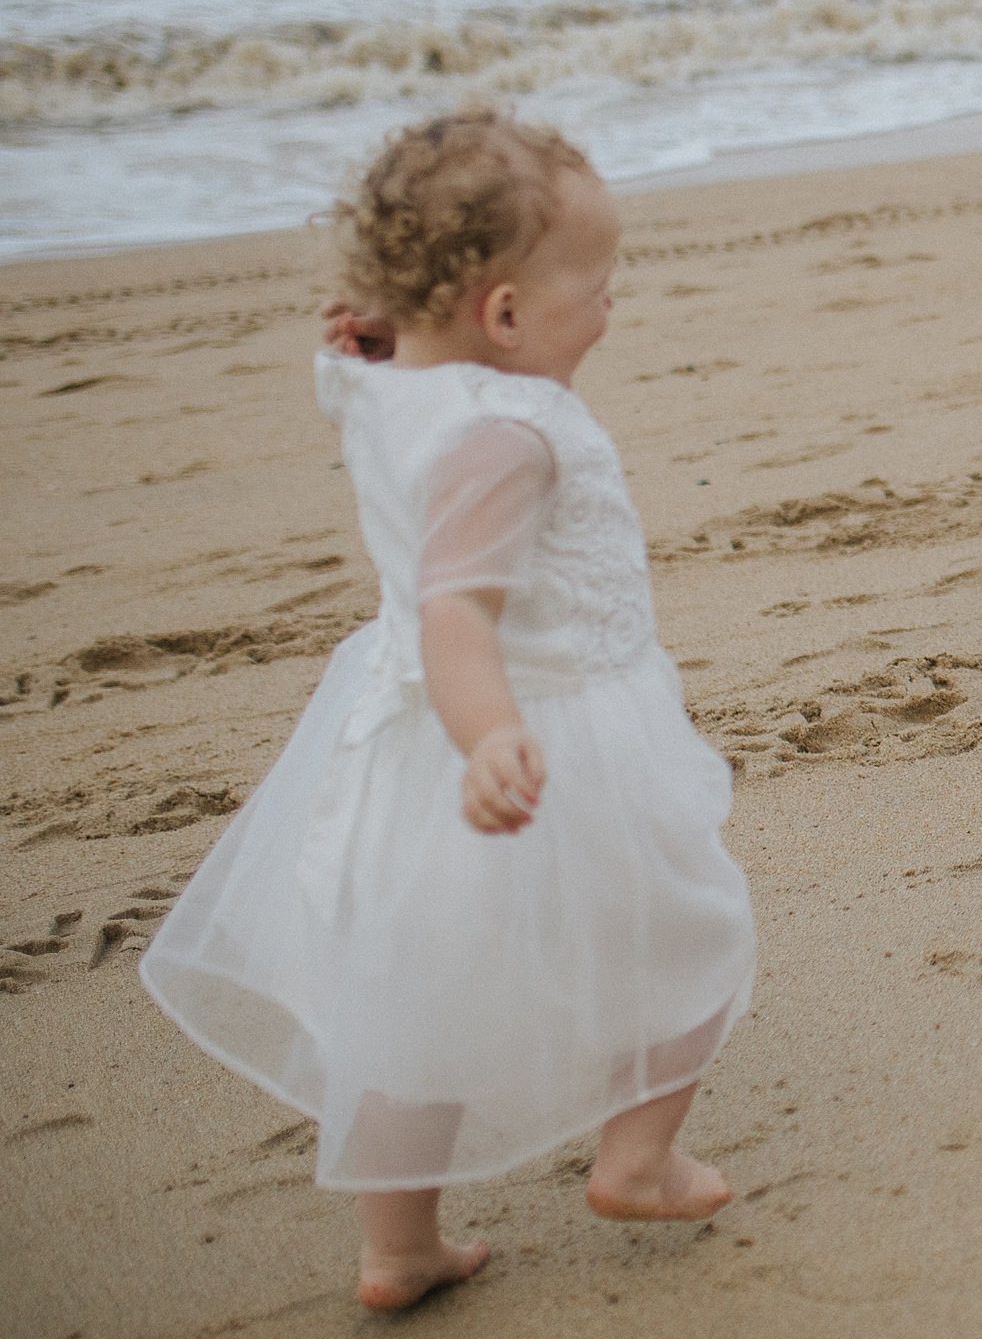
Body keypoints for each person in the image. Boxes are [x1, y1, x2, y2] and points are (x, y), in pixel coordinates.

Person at [140, 106, 756, 1311]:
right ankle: (637, 1158)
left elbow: (370, 392)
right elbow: (455, 615)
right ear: (508, 317)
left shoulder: (384, 386)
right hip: (537, 734)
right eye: (599, 285)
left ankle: (399, 1248)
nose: (611, 307)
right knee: (689, 931)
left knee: (413, 1002)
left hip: (401, 751)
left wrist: (373, 346)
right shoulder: (506, 435)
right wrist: (494, 737)